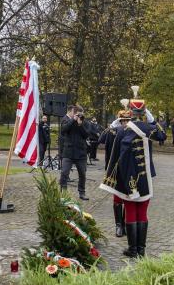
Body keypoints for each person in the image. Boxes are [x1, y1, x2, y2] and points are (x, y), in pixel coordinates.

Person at [100, 91, 166, 257]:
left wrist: (112, 179)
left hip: (127, 177)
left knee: (130, 210)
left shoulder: (122, 131)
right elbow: (162, 135)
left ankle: (133, 249)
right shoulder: (149, 128)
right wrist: (151, 118)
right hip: (145, 178)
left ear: (130, 112)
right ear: (144, 113)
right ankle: (142, 250)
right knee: (142, 211)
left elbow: (115, 158)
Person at [98, 110, 131, 237]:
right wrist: (112, 126)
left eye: (128, 121)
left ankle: (125, 223)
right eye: (123, 121)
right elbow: (101, 139)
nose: (125, 123)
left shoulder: (133, 132)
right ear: (120, 121)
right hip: (115, 169)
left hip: (128, 168)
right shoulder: (113, 131)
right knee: (117, 198)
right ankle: (118, 225)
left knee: (128, 197)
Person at [60, 105, 90, 200]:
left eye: (81, 113)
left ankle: (82, 192)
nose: (79, 115)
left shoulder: (85, 122)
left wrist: (80, 124)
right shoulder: (66, 120)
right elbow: (64, 130)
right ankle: (63, 193)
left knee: (82, 174)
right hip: (68, 152)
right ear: (73, 113)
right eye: (77, 113)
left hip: (80, 153)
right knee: (64, 172)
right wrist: (73, 120)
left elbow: (86, 135)